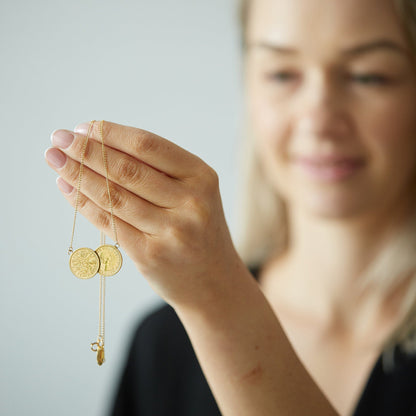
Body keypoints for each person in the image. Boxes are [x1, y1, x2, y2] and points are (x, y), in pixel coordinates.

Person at [44, 0, 416, 414]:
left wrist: (219, 300)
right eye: (281, 73)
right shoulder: (163, 344)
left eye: (370, 76)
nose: (320, 118)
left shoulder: (208, 306)